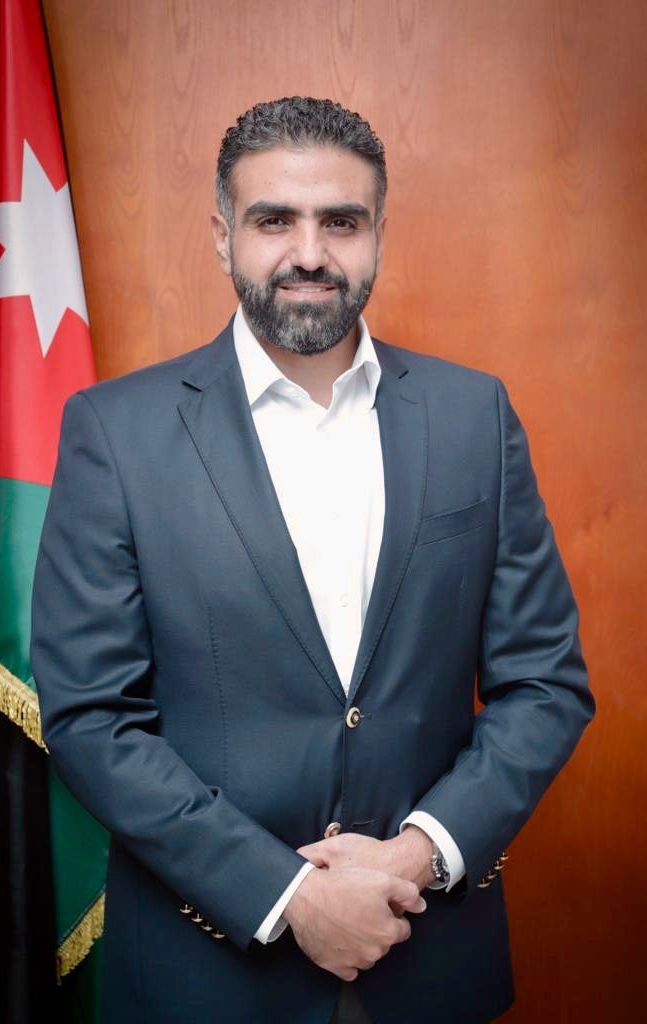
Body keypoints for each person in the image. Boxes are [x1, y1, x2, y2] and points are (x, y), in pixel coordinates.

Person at [31, 97, 594, 1024]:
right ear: (223, 236)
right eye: (272, 220)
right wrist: (288, 896)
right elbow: (92, 717)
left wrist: (418, 854)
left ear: (378, 234)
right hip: (202, 980)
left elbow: (545, 684)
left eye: (340, 221)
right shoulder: (114, 432)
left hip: (428, 964)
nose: (308, 252)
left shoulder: (473, 415)